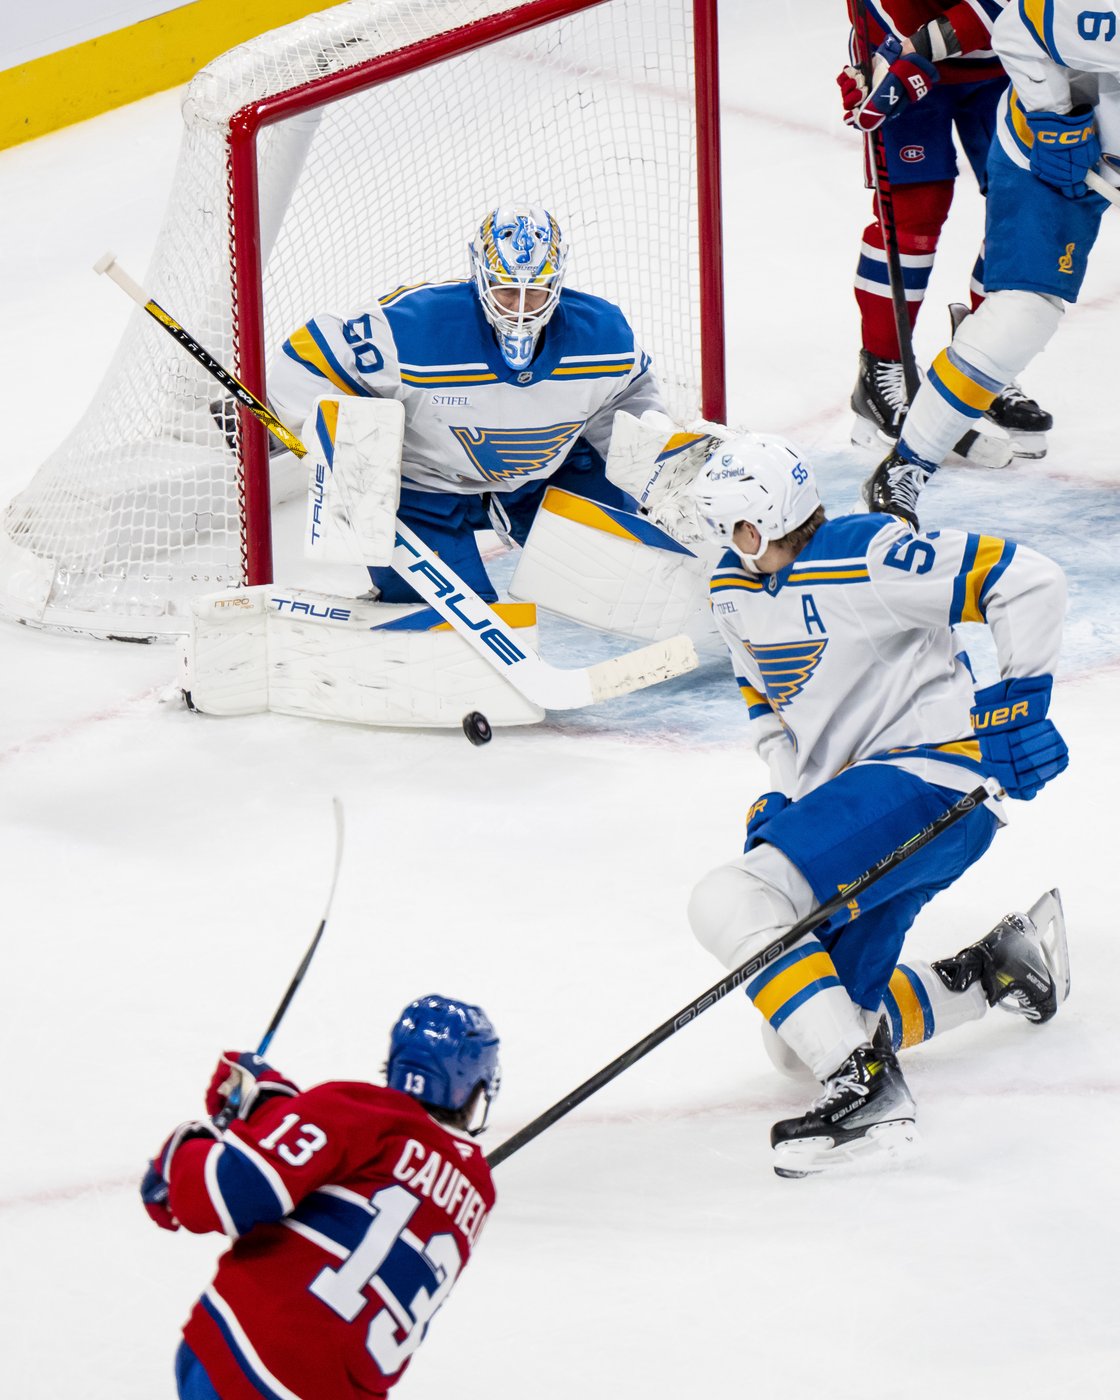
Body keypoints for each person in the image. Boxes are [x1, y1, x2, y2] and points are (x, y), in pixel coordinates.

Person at [682, 433, 1070, 1177]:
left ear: (760, 522)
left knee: (729, 896)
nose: (721, 544)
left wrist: (1022, 703)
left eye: (729, 526)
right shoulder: (733, 590)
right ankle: (993, 972)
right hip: (869, 806)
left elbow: (1027, 580)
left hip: (931, 784)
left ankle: (867, 1091)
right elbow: (769, 707)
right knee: (801, 1039)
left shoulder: (866, 553)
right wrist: (785, 794)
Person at [268, 201, 664, 604]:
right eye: (508, 290)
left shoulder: (604, 335)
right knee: (452, 626)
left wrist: (658, 464)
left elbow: (633, 402)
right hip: (424, 491)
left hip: (541, 479)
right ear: (480, 276)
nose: (521, 307)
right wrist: (323, 436)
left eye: (537, 291)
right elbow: (305, 358)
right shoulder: (414, 327)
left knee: (621, 581)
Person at [140, 995, 501, 1399]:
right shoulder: (478, 1193)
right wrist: (275, 1106)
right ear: (476, 1087)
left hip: (245, 1365)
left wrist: (181, 1154)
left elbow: (227, 1193)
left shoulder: (359, 1109)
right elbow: (363, 1168)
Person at [863, 0, 1120, 527]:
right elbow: (1022, 24)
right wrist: (1056, 118)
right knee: (1019, 318)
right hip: (1051, 157)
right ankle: (906, 465)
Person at [838, 0, 1052, 460]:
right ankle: (882, 369)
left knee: (1022, 207)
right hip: (902, 50)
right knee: (914, 214)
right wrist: (879, 67)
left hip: (1003, 60)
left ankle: (985, 357)